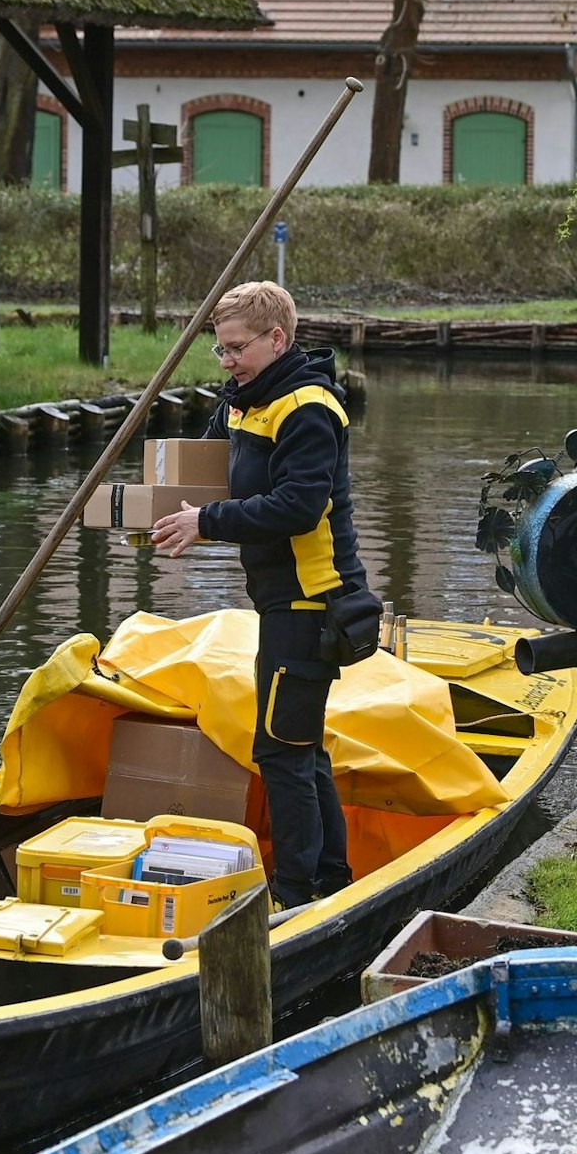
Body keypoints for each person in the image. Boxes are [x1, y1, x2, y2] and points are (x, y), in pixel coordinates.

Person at [149, 280, 370, 910]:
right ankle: (332, 877)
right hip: (280, 601)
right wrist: (154, 512)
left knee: (281, 751)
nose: (227, 362)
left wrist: (206, 522)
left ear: (278, 339)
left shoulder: (307, 408)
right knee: (301, 744)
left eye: (237, 349)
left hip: (313, 602)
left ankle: (297, 899)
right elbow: (206, 466)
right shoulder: (247, 400)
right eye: (219, 351)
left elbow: (299, 508)